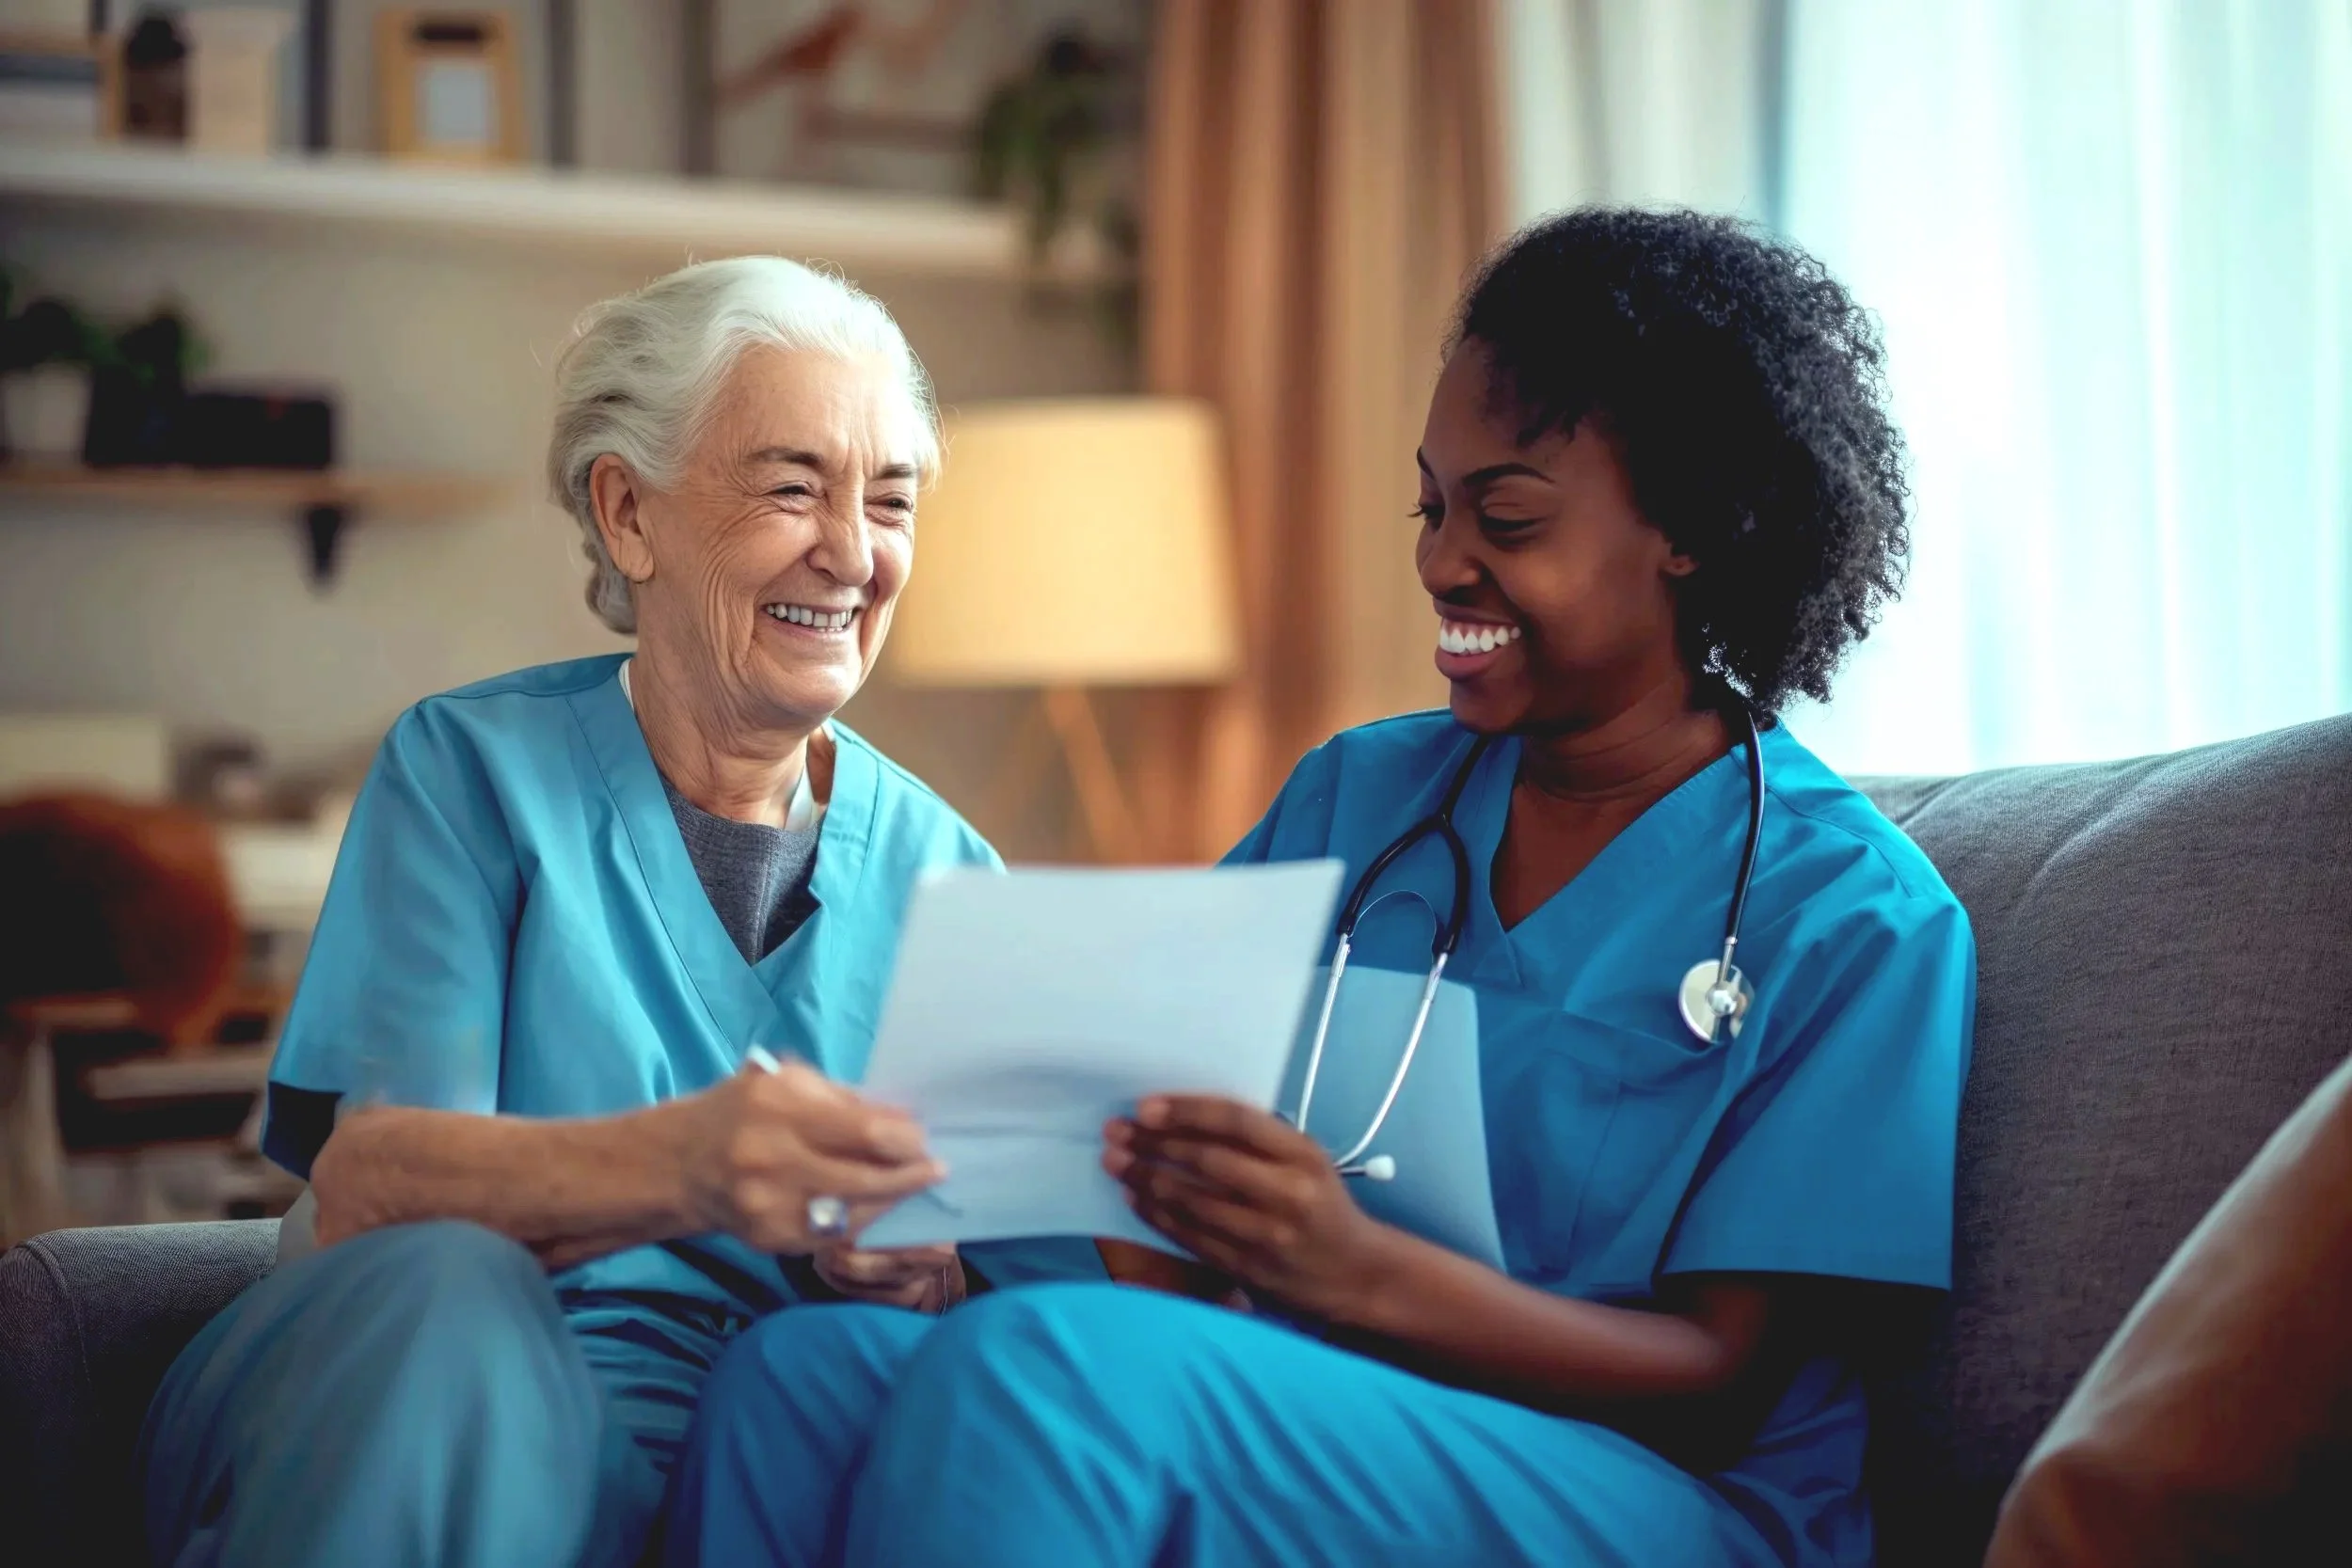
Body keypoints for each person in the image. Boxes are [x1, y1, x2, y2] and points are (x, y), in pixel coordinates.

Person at [662, 209, 1977, 1568]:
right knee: (801, 1381)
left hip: (1660, 1491)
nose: (1441, 559)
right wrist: (953, 1235)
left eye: (1507, 515)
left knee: (1057, 1371)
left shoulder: (1855, 915)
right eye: (1433, 504)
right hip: (1335, 1407)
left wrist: (1351, 1271)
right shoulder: (1363, 798)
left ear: (1693, 531)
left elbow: (1721, 1383)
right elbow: (1157, 1178)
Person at [135, 256, 1100, 1568]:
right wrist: (686, 1163)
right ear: (628, 512)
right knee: (453, 1291)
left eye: (889, 499)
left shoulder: (954, 875)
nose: (855, 550)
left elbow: (1029, 1305)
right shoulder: (470, 774)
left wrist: (926, 1277)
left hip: (759, 1467)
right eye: (791, 485)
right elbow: (373, 1188)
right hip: (429, 1407)